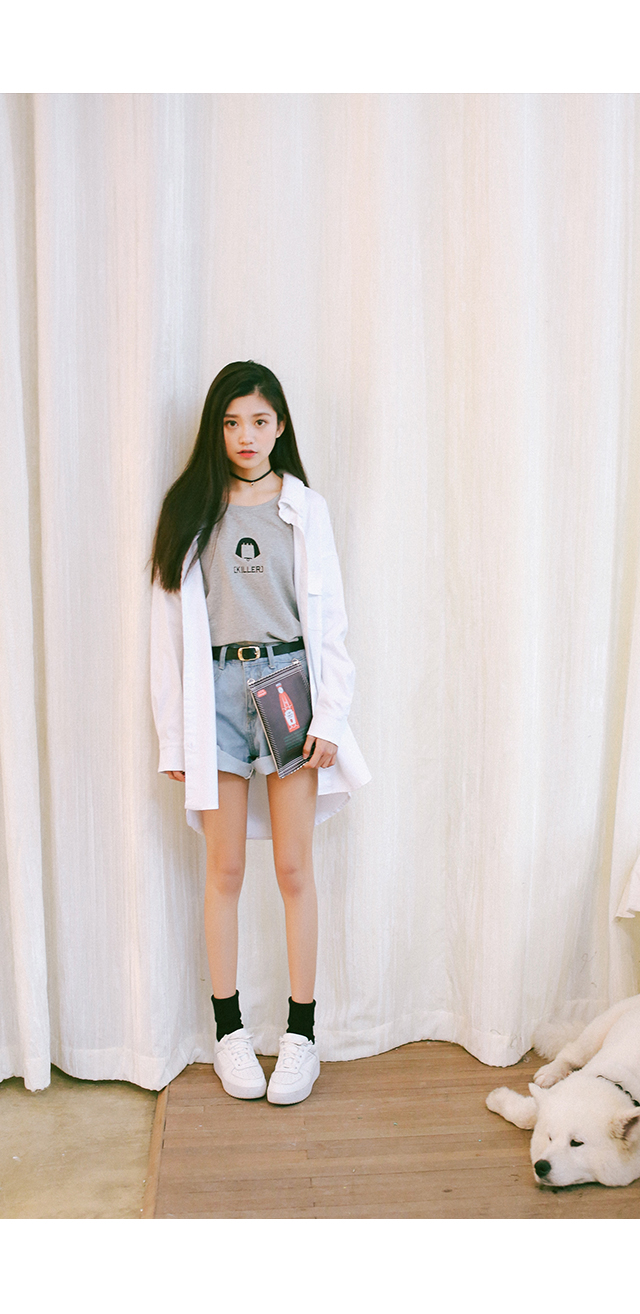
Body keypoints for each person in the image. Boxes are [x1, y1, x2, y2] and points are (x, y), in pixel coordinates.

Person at [150, 360, 369, 1105]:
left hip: (287, 692)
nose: (246, 435)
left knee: (295, 869)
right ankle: (230, 1034)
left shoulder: (305, 507)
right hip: (212, 694)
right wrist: (174, 736)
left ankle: (302, 1036)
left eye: (260, 421)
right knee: (225, 871)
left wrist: (330, 717)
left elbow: (330, 622)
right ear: (217, 430)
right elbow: (165, 630)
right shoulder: (191, 507)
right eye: (232, 422)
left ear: (280, 427)